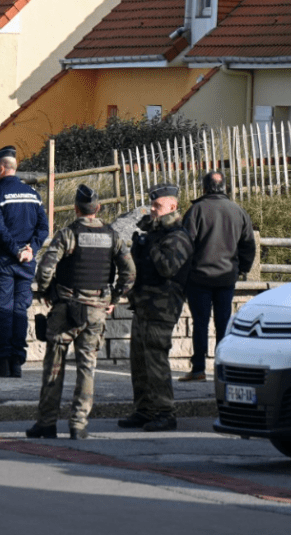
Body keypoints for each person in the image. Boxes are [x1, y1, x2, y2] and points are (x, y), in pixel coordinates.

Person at [26, 185, 135, 440]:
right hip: (96, 311)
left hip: (66, 309)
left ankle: (46, 422)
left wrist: (44, 292)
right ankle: (78, 424)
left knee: (54, 367)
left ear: (76, 208)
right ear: (98, 208)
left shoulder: (68, 234)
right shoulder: (112, 236)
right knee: (87, 367)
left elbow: (44, 270)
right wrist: (115, 298)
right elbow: (130, 273)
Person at [118, 183, 192, 432]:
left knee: (156, 361)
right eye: (151, 205)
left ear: (172, 206)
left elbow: (168, 269)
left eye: (157, 206)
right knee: (139, 361)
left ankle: (164, 412)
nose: (152, 210)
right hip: (143, 305)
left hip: (162, 308)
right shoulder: (153, 235)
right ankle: (144, 409)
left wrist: (149, 245)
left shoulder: (178, 237)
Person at [179, 171, 256, 381]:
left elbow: (185, 246)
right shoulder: (238, 211)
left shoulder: (196, 211)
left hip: (199, 278)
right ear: (225, 188)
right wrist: (242, 269)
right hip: (226, 277)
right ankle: (222, 369)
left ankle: (198, 369)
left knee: (200, 323)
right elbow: (248, 245)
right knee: (223, 323)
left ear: (204, 188)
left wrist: (183, 276)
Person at [0, 146, 49, 378]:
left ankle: (2, 362)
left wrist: (16, 250)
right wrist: (32, 249)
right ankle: (17, 362)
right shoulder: (33, 194)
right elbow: (43, 227)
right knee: (20, 310)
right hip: (27, 262)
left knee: (2, 311)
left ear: (1, 168)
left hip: (3, 261)